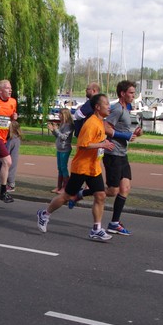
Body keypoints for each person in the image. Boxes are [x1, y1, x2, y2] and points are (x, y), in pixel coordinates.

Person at [36, 93, 116, 241]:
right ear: (98, 107)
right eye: (106, 104)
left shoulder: (100, 122)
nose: (109, 106)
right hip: (82, 167)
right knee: (67, 196)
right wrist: (102, 145)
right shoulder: (91, 123)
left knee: (100, 195)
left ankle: (96, 229)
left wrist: (104, 144)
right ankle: (44, 214)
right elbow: (83, 145)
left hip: (94, 168)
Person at [101, 80, 143, 236]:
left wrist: (134, 133)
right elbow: (105, 127)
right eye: (131, 93)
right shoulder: (117, 109)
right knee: (113, 191)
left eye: (133, 93)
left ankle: (114, 223)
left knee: (125, 188)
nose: (133, 95)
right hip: (113, 154)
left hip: (123, 154)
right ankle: (80, 193)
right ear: (122, 93)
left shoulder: (127, 109)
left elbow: (123, 130)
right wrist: (124, 136)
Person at [49, 107, 73, 193]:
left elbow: (63, 137)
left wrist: (56, 129)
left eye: (60, 114)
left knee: (63, 167)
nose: (59, 116)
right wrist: (53, 131)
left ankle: (65, 187)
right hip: (59, 148)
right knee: (60, 168)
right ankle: (59, 186)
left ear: (65, 115)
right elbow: (58, 136)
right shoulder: (62, 124)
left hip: (65, 149)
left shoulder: (68, 125)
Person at [0, 118, 22, 192]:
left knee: (8, 171)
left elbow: (6, 150)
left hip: (9, 158)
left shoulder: (12, 139)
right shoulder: (16, 138)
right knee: (9, 170)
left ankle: (11, 185)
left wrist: (0, 156)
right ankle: (7, 184)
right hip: (12, 157)